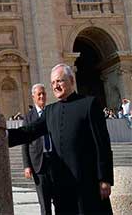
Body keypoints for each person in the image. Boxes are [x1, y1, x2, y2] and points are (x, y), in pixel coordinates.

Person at [8, 64, 113, 214]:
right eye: (52, 83)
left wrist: (105, 179)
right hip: (63, 185)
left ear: (71, 80)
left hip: (88, 182)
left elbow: (102, 144)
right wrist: (4, 136)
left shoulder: (89, 104)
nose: (55, 86)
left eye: (59, 81)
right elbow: (30, 131)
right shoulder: (50, 111)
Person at [21, 83, 54, 215]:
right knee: (44, 203)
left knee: (61, 199)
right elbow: (24, 144)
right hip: (38, 164)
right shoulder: (28, 117)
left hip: (55, 161)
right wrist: (26, 166)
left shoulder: (52, 113)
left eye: (43, 94)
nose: (42, 96)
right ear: (33, 96)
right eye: (39, 94)